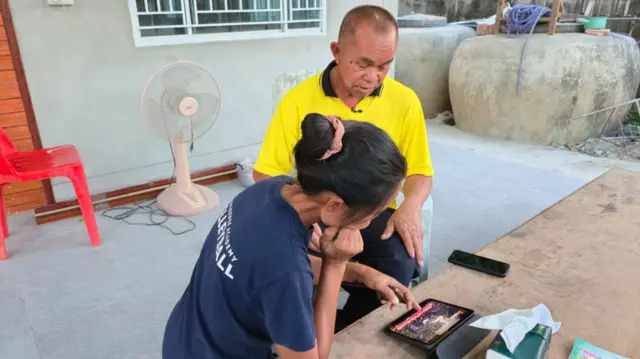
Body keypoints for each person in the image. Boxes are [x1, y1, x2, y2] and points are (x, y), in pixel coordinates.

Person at [162, 113, 420, 359]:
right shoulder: (286, 270)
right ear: (334, 206)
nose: (371, 221)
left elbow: (262, 271)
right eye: (373, 214)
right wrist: (336, 264)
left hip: (184, 337)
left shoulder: (270, 188)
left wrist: (364, 274)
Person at [253, 5, 434, 327]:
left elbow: (419, 170)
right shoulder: (298, 100)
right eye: (363, 64)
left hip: (371, 210)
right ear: (337, 51)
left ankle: (349, 329)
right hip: (318, 208)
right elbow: (265, 172)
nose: (373, 77)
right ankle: (302, 330)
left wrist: (412, 206)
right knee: (287, 263)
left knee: (399, 260)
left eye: (384, 66)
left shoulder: (404, 101)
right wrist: (302, 218)